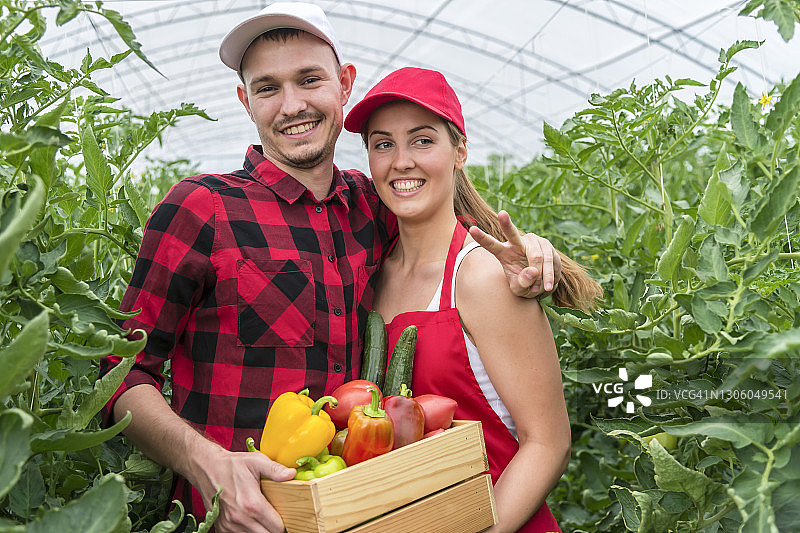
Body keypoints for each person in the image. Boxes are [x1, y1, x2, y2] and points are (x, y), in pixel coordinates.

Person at [99, 4, 566, 532]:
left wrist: (530, 244)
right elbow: (119, 375)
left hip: (359, 516)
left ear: (344, 85)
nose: (292, 105)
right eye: (267, 87)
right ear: (244, 99)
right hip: (231, 521)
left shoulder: (371, 208)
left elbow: (442, 223)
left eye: (310, 79)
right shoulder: (201, 208)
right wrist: (207, 463)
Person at [343, 67, 603, 532]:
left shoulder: (482, 275)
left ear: (459, 151)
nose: (401, 161)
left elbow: (547, 444)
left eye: (422, 141)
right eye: (383, 144)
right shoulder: (372, 274)